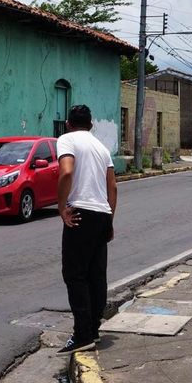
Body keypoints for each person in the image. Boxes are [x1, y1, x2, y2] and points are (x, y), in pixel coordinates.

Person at [55, 104, 117, 353]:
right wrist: (109, 220)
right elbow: (113, 187)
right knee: (96, 275)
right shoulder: (102, 148)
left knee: (75, 275)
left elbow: (66, 172)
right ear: (91, 125)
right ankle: (93, 330)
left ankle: (82, 335)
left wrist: (62, 208)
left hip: (80, 212)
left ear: (68, 124)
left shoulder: (66, 140)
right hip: (102, 213)